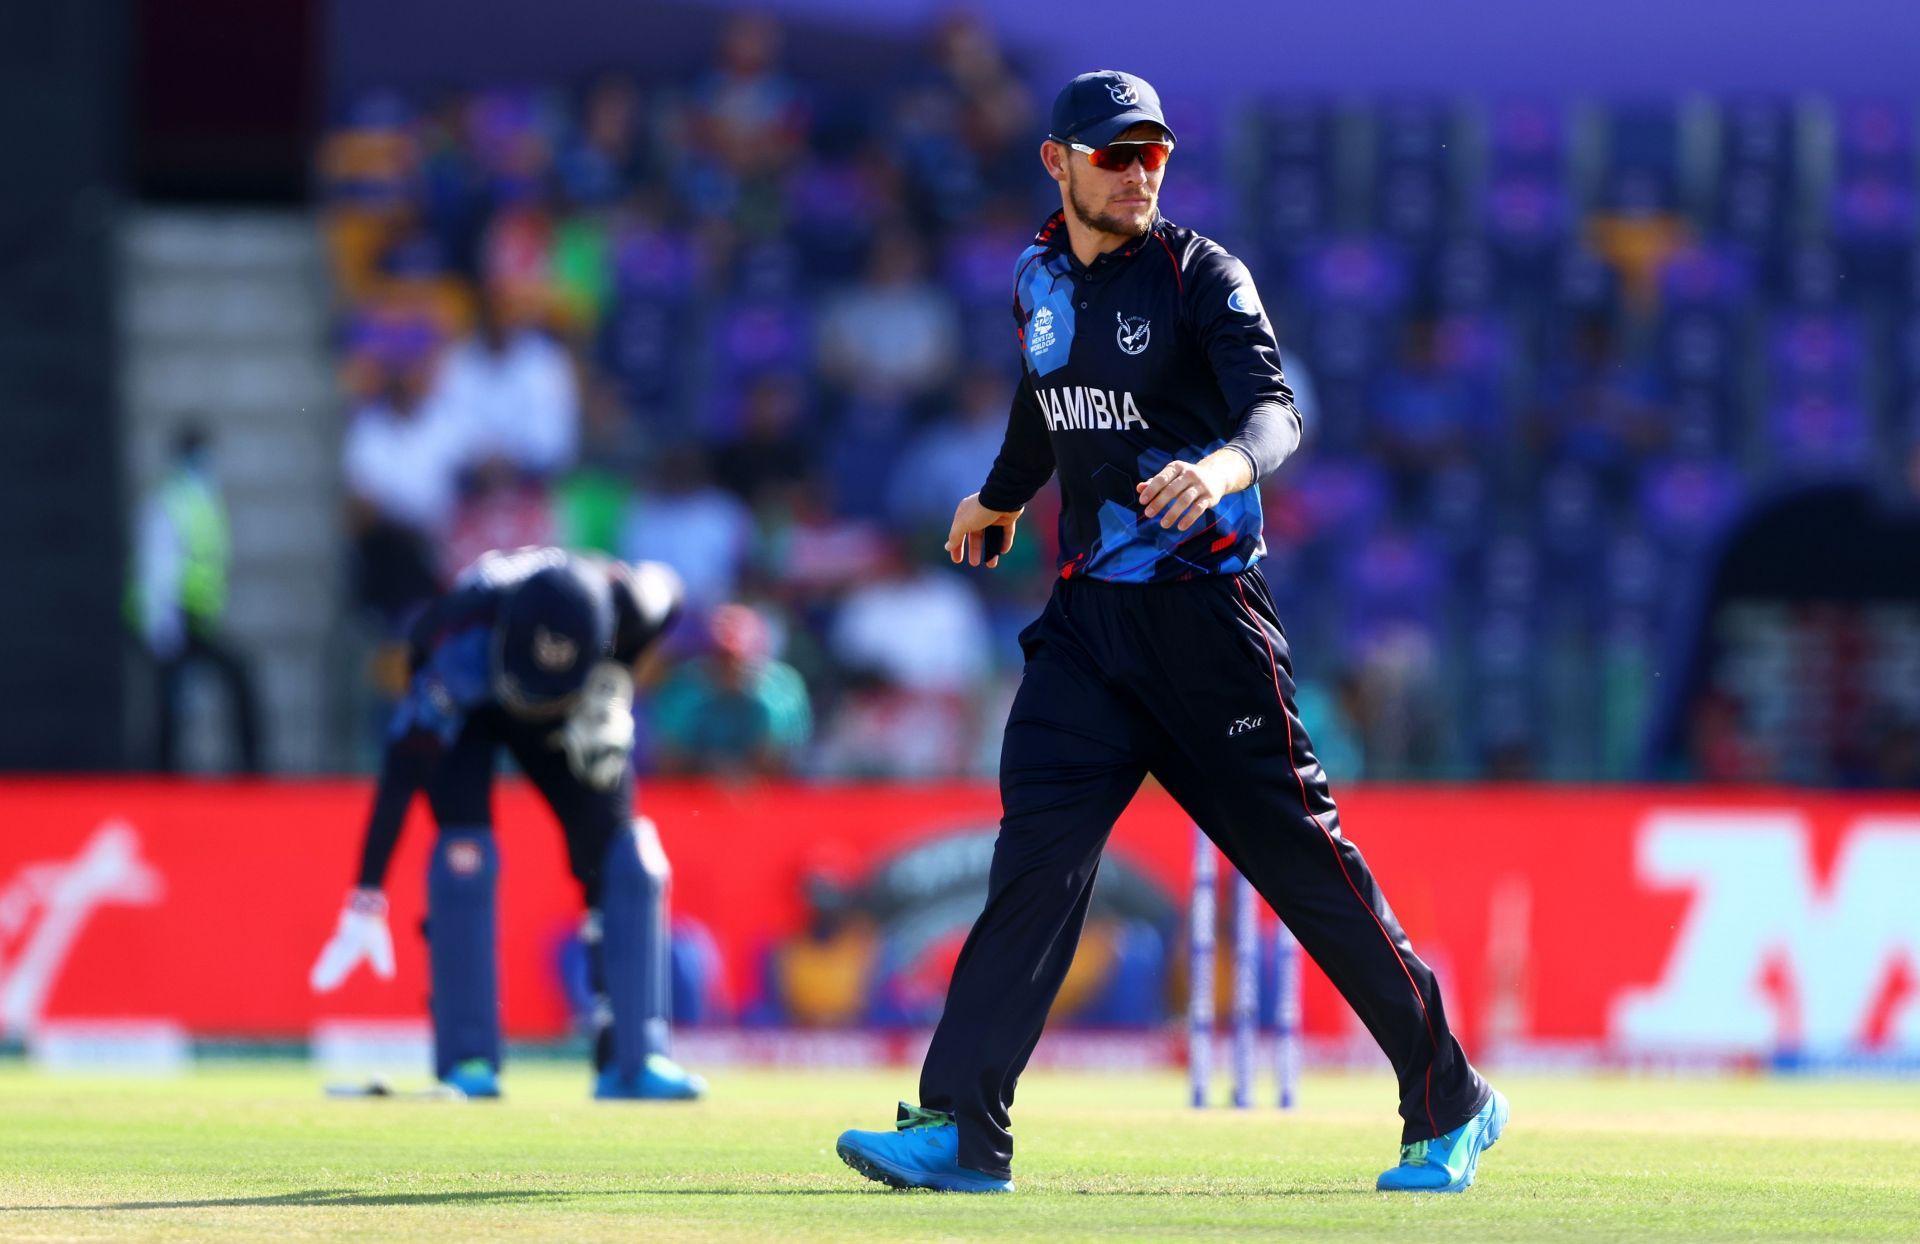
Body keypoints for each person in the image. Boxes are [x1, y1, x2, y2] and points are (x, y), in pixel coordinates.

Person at [834, 70, 1505, 1194]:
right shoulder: (1036, 274)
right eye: (1114, 152)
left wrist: (1221, 466)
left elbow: (1274, 411)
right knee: (1034, 865)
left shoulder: (1201, 274)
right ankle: (962, 1127)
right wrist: (1000, 495)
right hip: (1089, 628)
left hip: (1207, 622)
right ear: (1059, 162)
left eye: (1153, 151)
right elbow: (1045, 397)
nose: (1139, 169)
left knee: (1303, 869)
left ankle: (1452, 1097)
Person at [308, 546, 705, 1101]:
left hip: (575, 707)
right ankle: (468, 1058)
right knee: (463, 857)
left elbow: (670, 586)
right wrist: (367, 892)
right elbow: (403, 768)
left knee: (624, 858)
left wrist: (616, 675)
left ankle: (634, 1056)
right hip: (476, 715)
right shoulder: (455, 641)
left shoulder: (627, 607)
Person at [130, 422, 263, 773]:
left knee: (190, 691)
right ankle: (165, 772)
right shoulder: (174, 501)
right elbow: (158, 565)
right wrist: (162, 624)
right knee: (172, 697)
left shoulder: (200, 499)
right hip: (175, 617)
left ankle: (242, 768)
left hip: (198, 618)